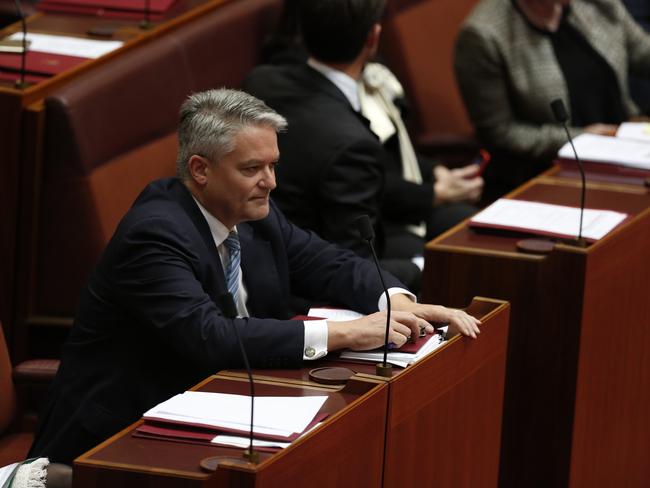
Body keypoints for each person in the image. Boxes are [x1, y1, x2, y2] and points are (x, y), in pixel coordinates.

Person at [27, 88, 481, 465]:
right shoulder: (156, 235)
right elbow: (212, 337)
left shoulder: (254, 211)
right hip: (120, 441)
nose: (271, 182)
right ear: (200, 170)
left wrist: (393, 301)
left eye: (272, 165)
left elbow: (325, 261)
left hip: (229, 410)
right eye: (252, 169)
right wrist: (348, 333)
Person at [244, 0, 483, 293]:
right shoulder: (352, 144)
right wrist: (419, 267)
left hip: (262, 245)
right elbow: (354, 262)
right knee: (456, 261)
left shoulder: (261, 81)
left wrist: (432, 173)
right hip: (309, 271)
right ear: (373, 37)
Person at [455, 0, 650, 199]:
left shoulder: (598, 4)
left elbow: (642, 52)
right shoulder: (484, 35)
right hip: (552, 173)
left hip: (628, 149)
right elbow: (498, 133)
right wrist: (578, 138)